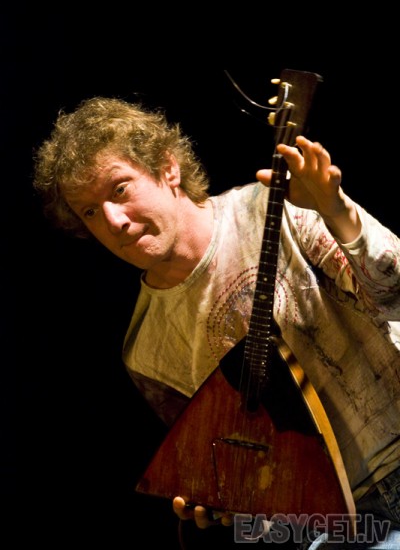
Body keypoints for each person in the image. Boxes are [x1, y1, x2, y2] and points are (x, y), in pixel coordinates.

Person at [32, 95, 400, 549]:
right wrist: (220, 498)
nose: (113, 221)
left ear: (168, 168)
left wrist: (337, 209)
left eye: (120, 189)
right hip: (336, 526)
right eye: (89, 211)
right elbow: (242, 471)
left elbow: (395, 296)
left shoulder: (276, 209)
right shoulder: (145, 350)